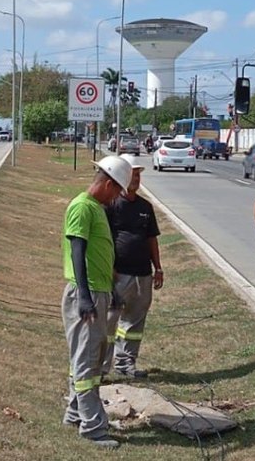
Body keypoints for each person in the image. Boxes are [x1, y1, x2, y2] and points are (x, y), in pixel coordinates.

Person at [61, 155, 132, 449]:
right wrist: (86, 298)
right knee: (87, 361)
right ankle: (92, 427)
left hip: (98, 291)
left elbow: (99, 255)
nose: (117, 197)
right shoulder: (81, 207)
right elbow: (78, 252)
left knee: (88, 355)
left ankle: (75, 413)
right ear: (106, 183)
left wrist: (111, 290)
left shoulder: (97, 208)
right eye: (116, 190)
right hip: (85, 293)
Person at [103, 153, 164, 379]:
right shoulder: (111, 205)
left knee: (135, 321)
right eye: (132, 175)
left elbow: (151, 238)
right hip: (119, 275)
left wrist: (158, 268)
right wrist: (109, 268)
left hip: (143, 275)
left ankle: (126, 364)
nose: (136, 179)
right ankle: (101, 368)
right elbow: (105, 239)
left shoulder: (145, 207)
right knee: (110, 322)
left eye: (138, 175)